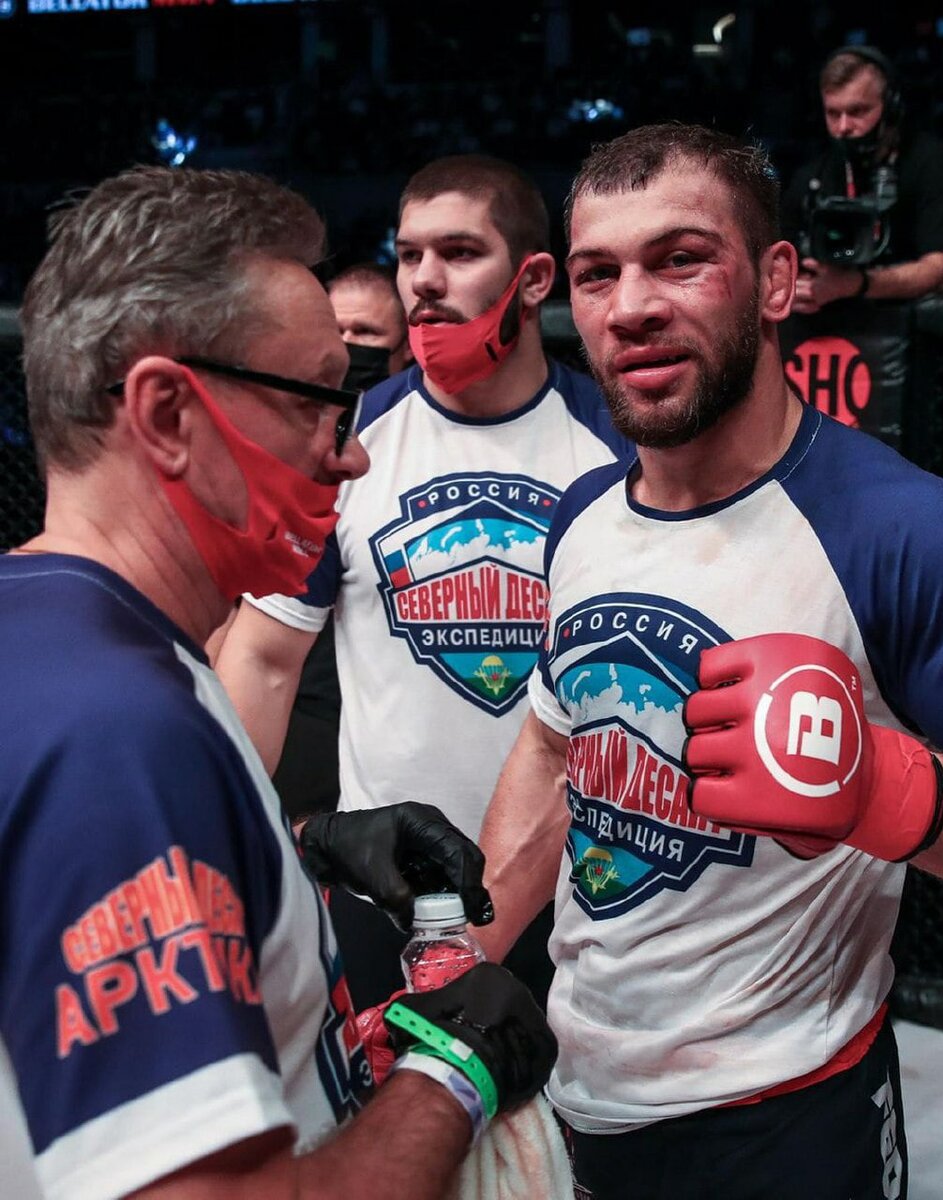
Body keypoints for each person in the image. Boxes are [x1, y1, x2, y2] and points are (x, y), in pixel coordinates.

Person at [0, 165, 556, 1200]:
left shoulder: (58, 633)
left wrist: (301, 849)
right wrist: (454, 1076)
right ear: (169, 414)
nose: (347, 457)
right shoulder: (117, 730)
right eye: (314, 401)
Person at [475, 123, 943, 1200]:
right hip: (580, 1085)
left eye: (680, 259)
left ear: (777, 281)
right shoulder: (581, 517)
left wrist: (889, 789)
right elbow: (554, 752)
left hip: (790, 1115)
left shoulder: (907, 532)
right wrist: (466, 953)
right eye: (598, 274)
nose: (631, 306)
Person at [214, 154, 632, 1010]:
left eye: (458, 252)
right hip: (389, 893)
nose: (424, 281)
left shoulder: (620, 450)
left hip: (581, 892)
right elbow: (262, 660)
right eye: (408, 255)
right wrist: (225, 855)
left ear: (533, 279)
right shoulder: (349, 443)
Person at [272, 264, 412, 821]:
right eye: (338, 333)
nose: (350, 347)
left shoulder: (413, 445)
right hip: (300, 699)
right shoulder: (281, 440)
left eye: (367, 335)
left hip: (388, 715)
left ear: (404, 348)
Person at [782, 45, 943, 313]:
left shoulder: (932, 163)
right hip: (826, 320)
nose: (843, 127)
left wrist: (856, 283)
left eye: (857, 111)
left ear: (890, 108)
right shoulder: (812, 175)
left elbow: (941, 266)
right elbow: (778, 258)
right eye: (833, 114)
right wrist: (790, 289)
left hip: (910, 323)